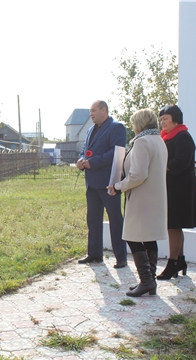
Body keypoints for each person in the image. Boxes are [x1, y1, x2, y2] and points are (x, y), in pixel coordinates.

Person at [108, 109, 168, 297]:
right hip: (155, 197)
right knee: (149, 238)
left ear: (139, 124)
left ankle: (147, 281)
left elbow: (138, 175)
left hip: (141, 198)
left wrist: (118, 186)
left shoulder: (142, 142)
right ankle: (150, 282)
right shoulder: (158, 140)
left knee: (132, 237)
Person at [76, 100, 127, 268]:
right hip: (91, 183)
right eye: (90, 111)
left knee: (115, 219)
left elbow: (116, 152)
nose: (91, 114)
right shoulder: (91, 129)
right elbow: (85, 149)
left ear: (104, 110)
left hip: (109, 182)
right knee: (93, 219)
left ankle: (121, 257)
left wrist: (94, 162)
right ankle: (95, 254)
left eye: (93, 111)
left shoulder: (116, 127)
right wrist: (82, 160)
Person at [156, 104, 196, 279]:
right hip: (170, 188)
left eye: (165, 119)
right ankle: (180, 259)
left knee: (174, 226)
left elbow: (181, 161)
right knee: (172, 225)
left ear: (176, 120)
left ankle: (172, 263)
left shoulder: (183, 137)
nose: (162, 122)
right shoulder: (167, 137)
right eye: (161, 119)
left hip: (180, 189)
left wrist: (161, 165)